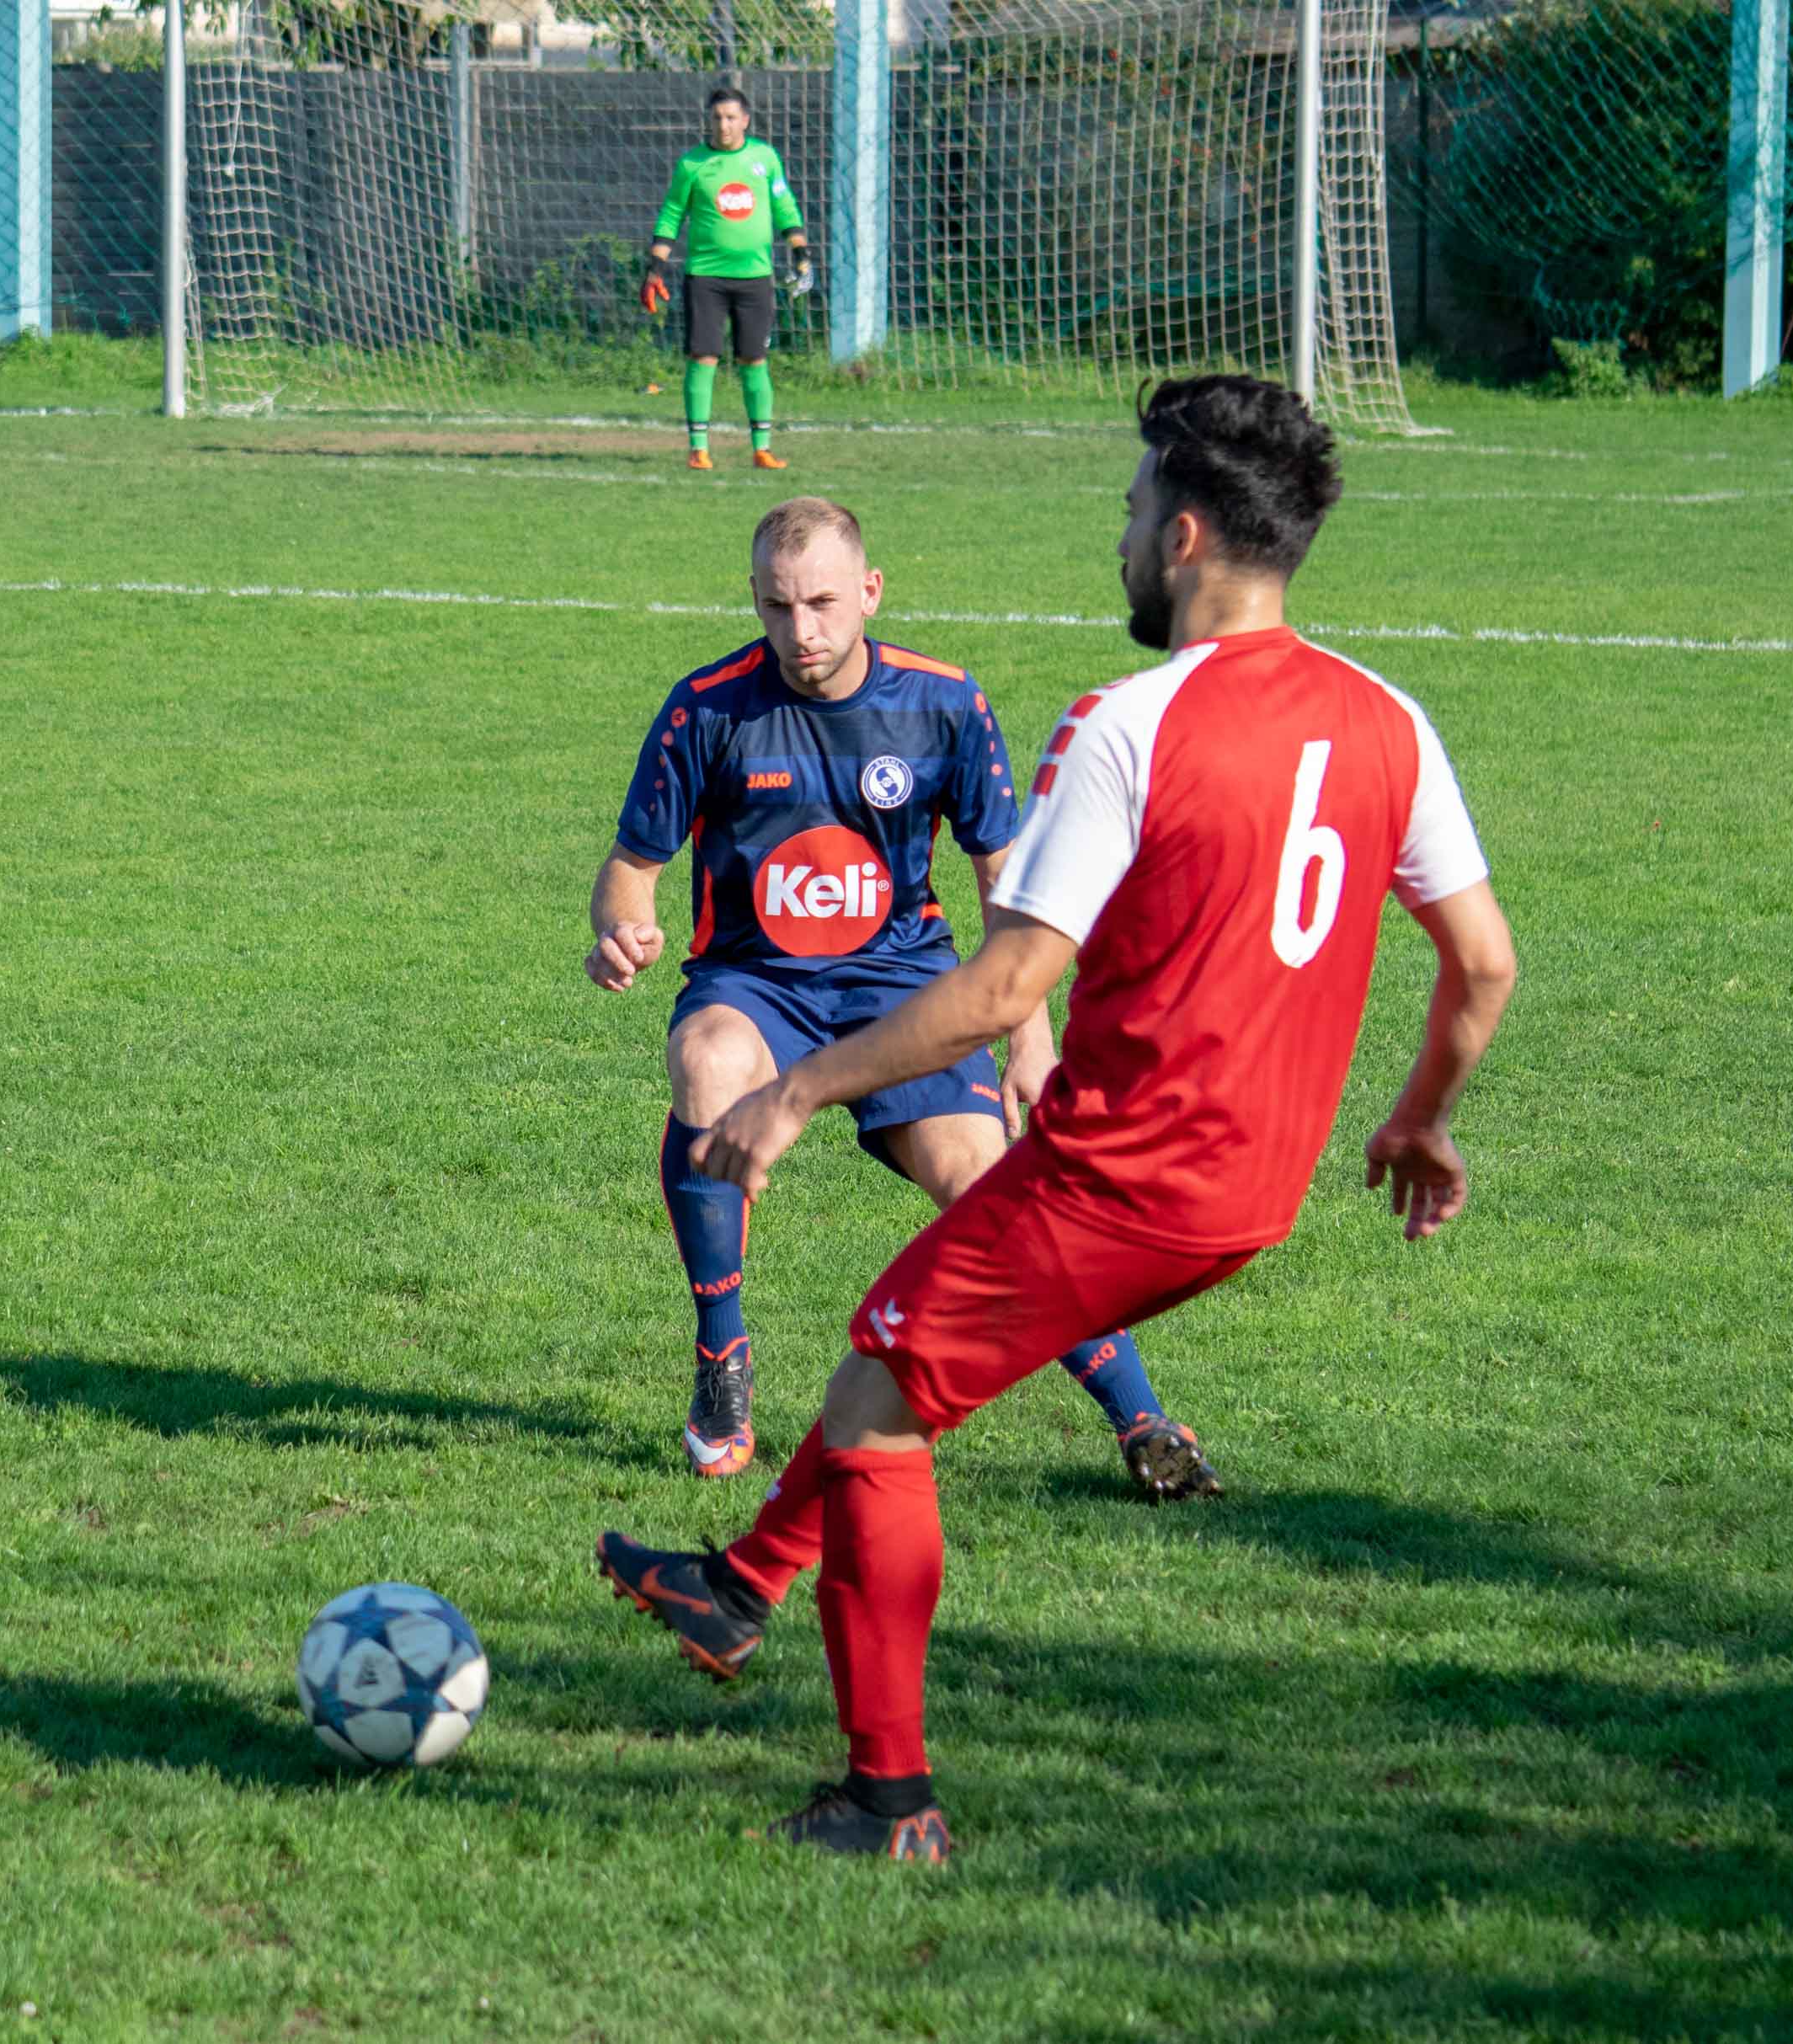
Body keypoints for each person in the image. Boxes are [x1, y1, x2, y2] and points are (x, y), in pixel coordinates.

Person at [594, 376, 1520, 1861]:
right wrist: (1419, 1118)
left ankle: (887, 1799)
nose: (1123, 539)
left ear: (1187, 536)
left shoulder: (1126, 723)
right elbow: (1484, 961)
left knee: (873, 1403)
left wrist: (797, 1090)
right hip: (1254, 1194)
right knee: (900, 1347)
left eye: (1135, 512)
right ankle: (739, 1586)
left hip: (1117, 1176)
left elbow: (1000, 986)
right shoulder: (1390, 720)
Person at [588, 496, 1220, 1497]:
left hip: (902, 985)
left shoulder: (943, 703)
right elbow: (631, 868)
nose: (801, 630)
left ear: (870, 591)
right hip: (754, 983)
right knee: (706, 1064)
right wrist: (620, 928)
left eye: (823, 603)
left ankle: (1141, 1418)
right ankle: (721, 1358)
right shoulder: (706, 707)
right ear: (753, 599)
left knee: (986, 1192)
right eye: (777, 606)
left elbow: (1006, 886)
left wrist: (1029, 1037)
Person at [642, 86, 808, 473]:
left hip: (755, 277)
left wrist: (800, 250)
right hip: (705, 277)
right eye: (717, 117)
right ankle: (698, 448)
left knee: (754, 359)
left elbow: (784, 205)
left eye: (731, 117)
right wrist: (655, 267)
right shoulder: (693, 164)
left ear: (745, 120)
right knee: (703, 357)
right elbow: (671, 214)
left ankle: (762, 449)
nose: (724, 125)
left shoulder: (764, 158)